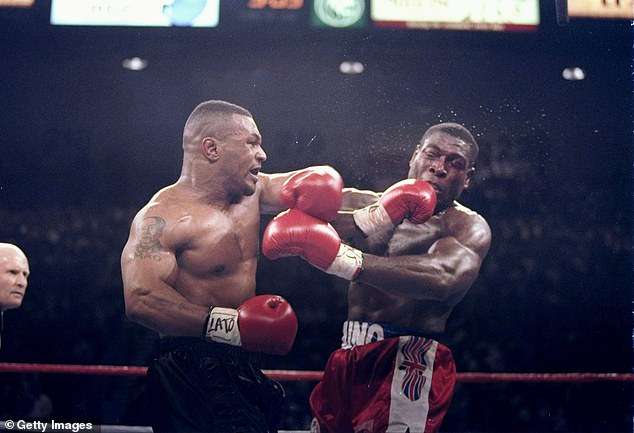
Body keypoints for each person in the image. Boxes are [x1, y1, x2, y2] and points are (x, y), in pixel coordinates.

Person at [120, 99, 344, 433]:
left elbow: (333, 199)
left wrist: (386, 209)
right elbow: (140, 299)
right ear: (211, 148)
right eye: (252, 143)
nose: (263, 154)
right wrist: (233, 326)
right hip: (189, 367)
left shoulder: (252, 193)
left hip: (244, 362)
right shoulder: (160, 217)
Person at [263, 122, 492, 433]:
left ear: (468, 178)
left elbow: (444, 277)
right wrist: (370, 219)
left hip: (405, 360)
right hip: (348, 353)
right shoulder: (363, 203)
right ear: (414, 156)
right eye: (433, 155)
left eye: (455, 164)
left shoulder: (466, 226)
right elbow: (276, 199)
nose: (440, 168)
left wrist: (343, 260)